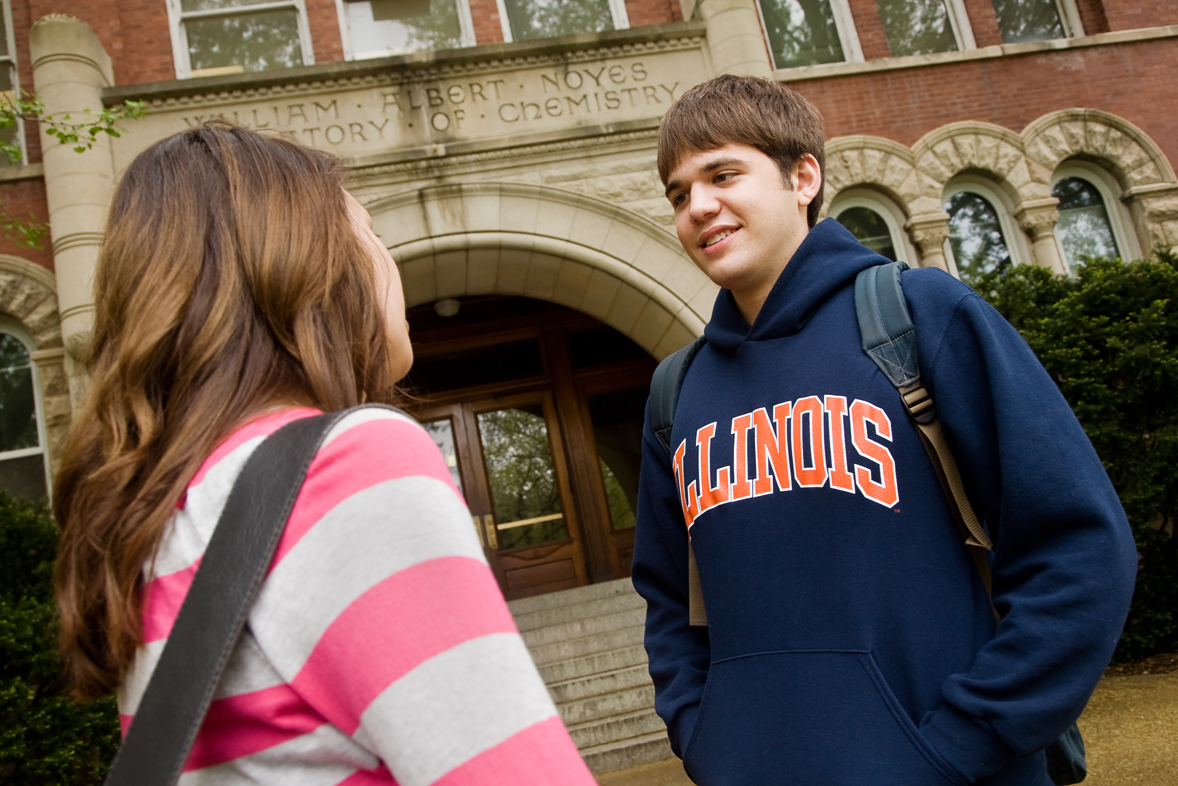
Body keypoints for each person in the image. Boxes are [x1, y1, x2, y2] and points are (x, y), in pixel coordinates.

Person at [52, 122, 597, 785]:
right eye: (373, 234)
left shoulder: (157, 511)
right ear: (311, 263)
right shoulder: (345, 466)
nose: (388, 260)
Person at [632, 75, 1137, 786]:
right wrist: (707, 737)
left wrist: (959, 745)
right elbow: (668, 603)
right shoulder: (677, 393)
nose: (698, 207)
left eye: (722, 174)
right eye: (679, 193)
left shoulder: (918, 315)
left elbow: (1079, 547)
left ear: (801, 176)